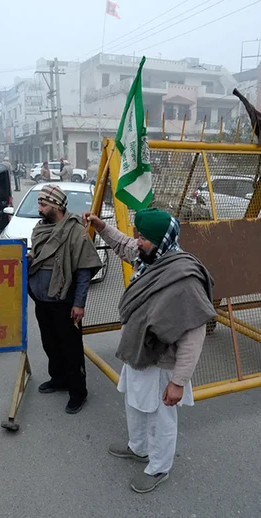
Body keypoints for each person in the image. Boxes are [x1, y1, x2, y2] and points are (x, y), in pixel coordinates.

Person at [83, 208, 216, 494]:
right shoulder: (152, 258)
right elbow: (122, 244)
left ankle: (158, 468)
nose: (136, 240)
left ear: (160, 239)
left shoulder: (184, 279)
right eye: (137, 234)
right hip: (138, 353)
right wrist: (101, 226)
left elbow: (194, 336)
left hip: (162, 363)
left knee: (160, 418)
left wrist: (178, 382)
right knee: (135, 404)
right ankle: (138, 448)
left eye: (142, 236)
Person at [28, 185, 102, 414]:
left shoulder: (75, 231)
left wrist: (79, 304)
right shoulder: (41, 228)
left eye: (43, 204)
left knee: (71, 348)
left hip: (65, 302)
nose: (39, 208)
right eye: (39, 204)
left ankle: (78, 392)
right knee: (50, 344)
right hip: (42, 300)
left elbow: (83, 271)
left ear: (57, 206)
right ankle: (58, 379)